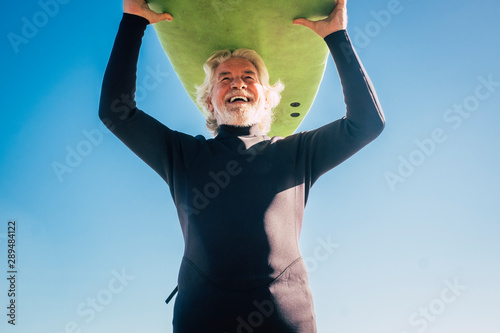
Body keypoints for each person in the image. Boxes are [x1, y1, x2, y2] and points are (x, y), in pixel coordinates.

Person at [99, 0, 385, 331]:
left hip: (285, 319)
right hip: (202, 318)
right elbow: (115, 112)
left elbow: (367, 123)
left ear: (266, 98)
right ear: (209, 100)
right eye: (225, 78)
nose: (238, 83)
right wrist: (132, 22)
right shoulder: (182, 155)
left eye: (249, 76)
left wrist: (337, 36)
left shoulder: (297, 153)